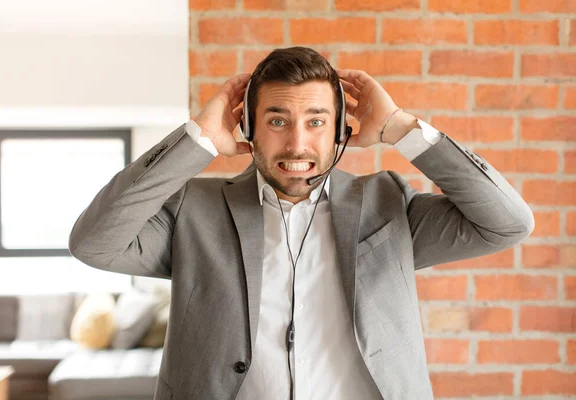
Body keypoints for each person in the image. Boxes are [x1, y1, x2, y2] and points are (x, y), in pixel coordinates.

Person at [69, 47, 534, 400]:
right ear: (248, 129)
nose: (297, 144)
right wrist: (198, 140)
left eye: (316, 122)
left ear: (340, 133)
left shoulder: (388, 202)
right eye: (277, 120)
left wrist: (401, 127)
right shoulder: (194, 208)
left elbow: (507, 223)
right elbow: (95, 243)